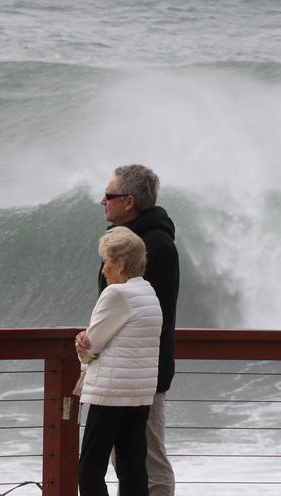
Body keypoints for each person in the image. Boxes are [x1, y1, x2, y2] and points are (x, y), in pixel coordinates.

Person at [85, 164, 179, 496]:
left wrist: (96, 342)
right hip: (125, 373)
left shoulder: (155, 245)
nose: (102, 201)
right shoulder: (130, 241)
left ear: (128, 201)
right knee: (127, 463)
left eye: (108, 196)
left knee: (148, 463)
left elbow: (157, 319)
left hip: (141, 374)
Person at [75, 227, 163, 496]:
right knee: (132, 466)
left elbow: (92, 345)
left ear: (120, 264)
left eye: (107, 262)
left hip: (111, 394)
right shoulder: (149, 294)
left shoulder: (116, 294)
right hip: (139, 394)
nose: (103, 270)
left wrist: (82, 344)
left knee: (90, 468)